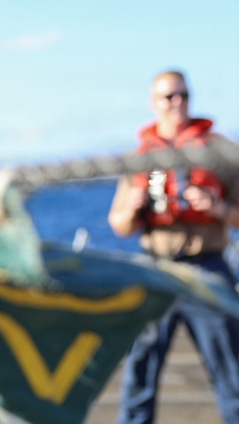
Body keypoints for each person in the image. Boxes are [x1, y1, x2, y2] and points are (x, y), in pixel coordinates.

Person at [107, 69, 239, 424]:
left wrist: (218, 208)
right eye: (168, 97)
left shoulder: (221, 152)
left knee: (231, 370)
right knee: (141, 368)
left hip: (207, 267)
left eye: (183, 95)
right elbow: (119, 224)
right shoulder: (139, 159)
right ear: (155, 104)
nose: (177, 103)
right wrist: (133, 206)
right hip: (156, 269)